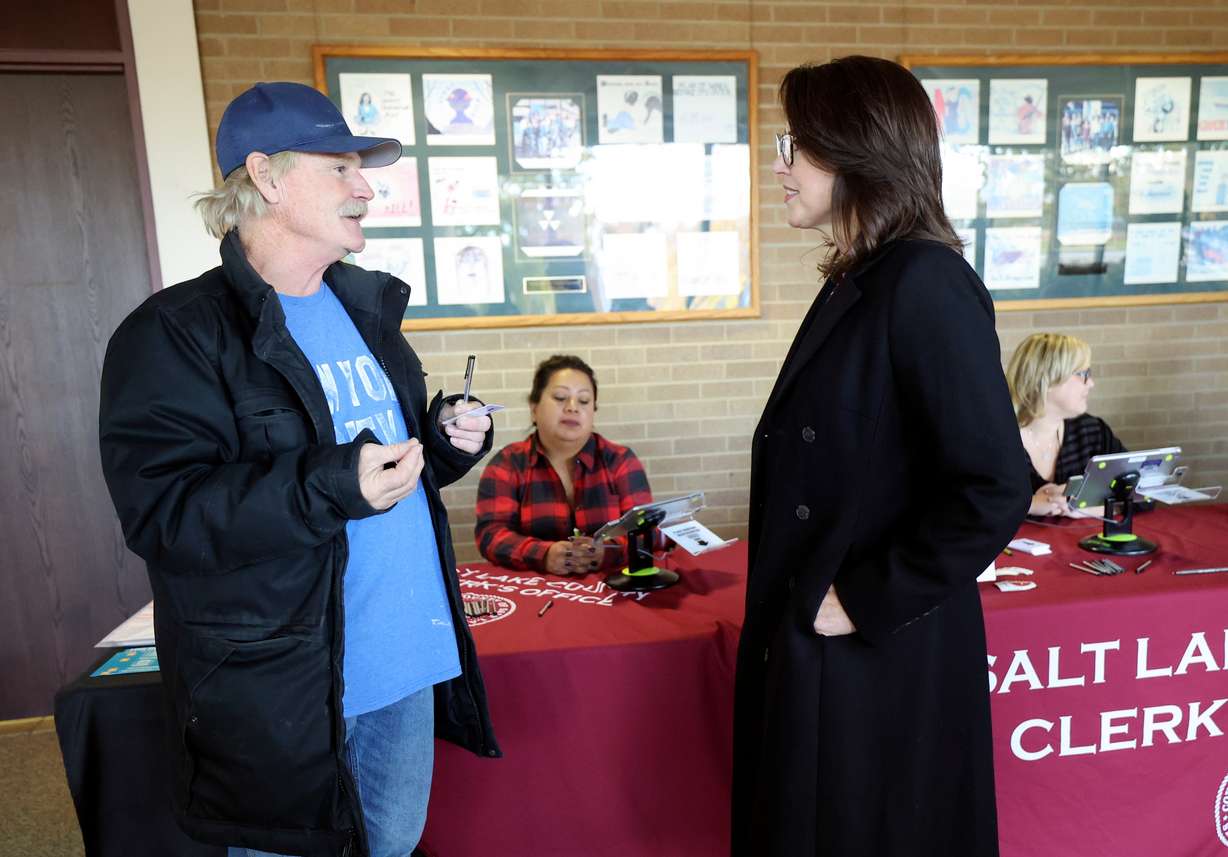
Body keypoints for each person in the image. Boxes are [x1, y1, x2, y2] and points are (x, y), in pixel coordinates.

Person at [98, 82, 499, 857]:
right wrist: (334, 482)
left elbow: (376, 468)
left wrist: (440, 441)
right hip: (286, 692)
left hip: (406, 662)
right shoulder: (172, 335)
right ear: (268, 177)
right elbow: (167, 515)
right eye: (341, 166)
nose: (365, 186)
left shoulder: (364, 309)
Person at [733, 56, 1030, 857]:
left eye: (797, 145)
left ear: (856, 149)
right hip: (831, 653)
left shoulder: (926, 282)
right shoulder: (864, 276)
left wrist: (865, 596)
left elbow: (995, 484)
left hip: (879, 662)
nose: (781, 164)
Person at [474, 354, 655, 576]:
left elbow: (647, 532)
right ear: (534, 408)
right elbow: (490, 535)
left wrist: (604, 552)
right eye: (560, 397)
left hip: (613, 593)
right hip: (535, 594)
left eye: (584, 401)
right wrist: (544, 554)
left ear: (593, 412)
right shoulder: (508, 463)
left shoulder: (620, 460)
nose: (572, 407)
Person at [1006, 332, 1125, 517]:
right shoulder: (997, 441)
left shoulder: (1091, 431)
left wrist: (1083, 508)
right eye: (1083, 374)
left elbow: (1143, 495)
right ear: (1047, 379)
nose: (1091, 383)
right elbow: (968, 506)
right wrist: (1028, 505)